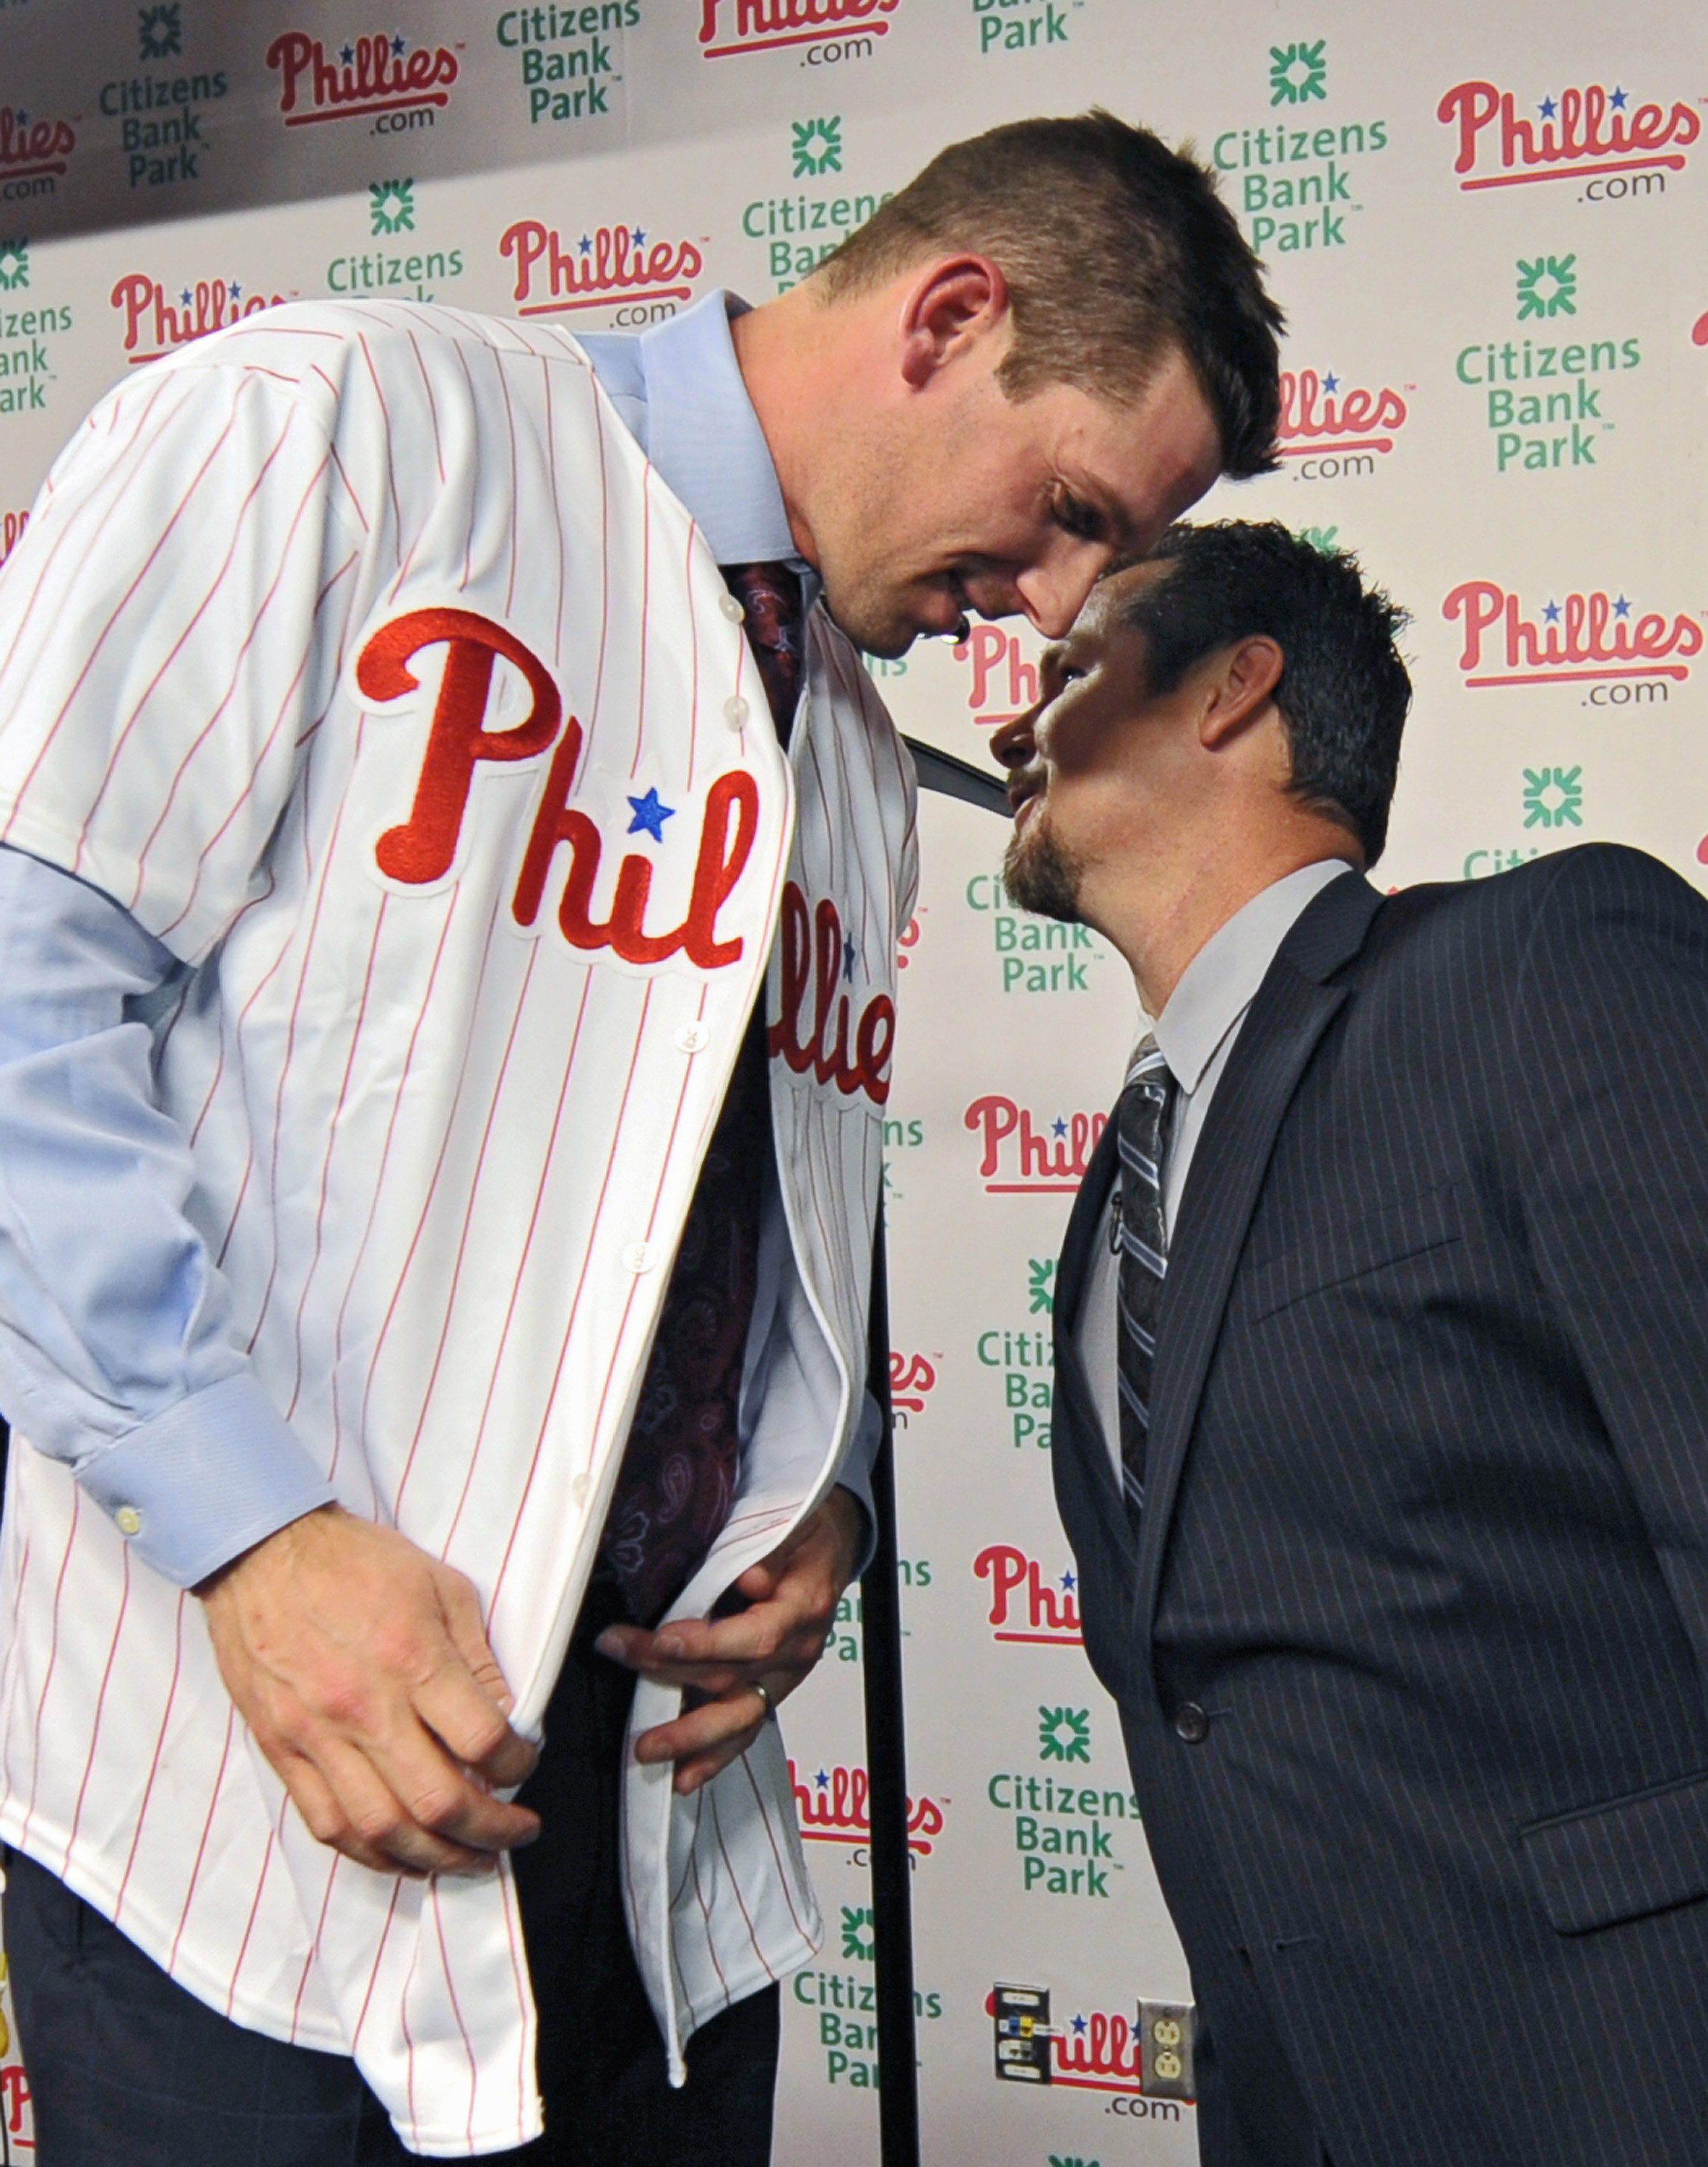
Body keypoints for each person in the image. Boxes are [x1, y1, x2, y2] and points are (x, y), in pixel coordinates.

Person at [0, 116, 1281, 2162]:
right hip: (250, 1792)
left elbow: (752, 1226)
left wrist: (828, 1500)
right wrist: (240, 1526)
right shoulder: (344, 426)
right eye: (1059, 516)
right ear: (950, 316)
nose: (1035, 614)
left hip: (653, 1856)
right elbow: (24, 1015)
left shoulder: (850, 757)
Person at [994, 518, 1708, 2167]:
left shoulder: (1540, 964)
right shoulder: (1121, 1189)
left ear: (1235, 691)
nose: (1008, 725)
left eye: (1067, 670)